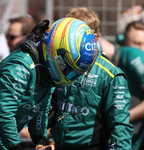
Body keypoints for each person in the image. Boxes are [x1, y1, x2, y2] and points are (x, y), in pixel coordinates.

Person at [0, 17, 98, 150]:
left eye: (74, 73)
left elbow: (41, 109)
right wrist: (16, 146)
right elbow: (4, 114)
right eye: (67, 68)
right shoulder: (20, 66)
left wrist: (40, 142)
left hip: (5, 142)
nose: (68, 76)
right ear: (55, 51)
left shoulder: (47, 67)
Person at [49, 7, 134, 150]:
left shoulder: (111, 75)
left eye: (77, 35)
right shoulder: (57, 64)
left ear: (93, 36)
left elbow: (120, 125)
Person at [98, 20, 144, 150]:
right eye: (136, 43)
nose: (141, 49)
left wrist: (121, 118)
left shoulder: (135, 56)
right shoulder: (117, 60)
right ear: (122, 40)